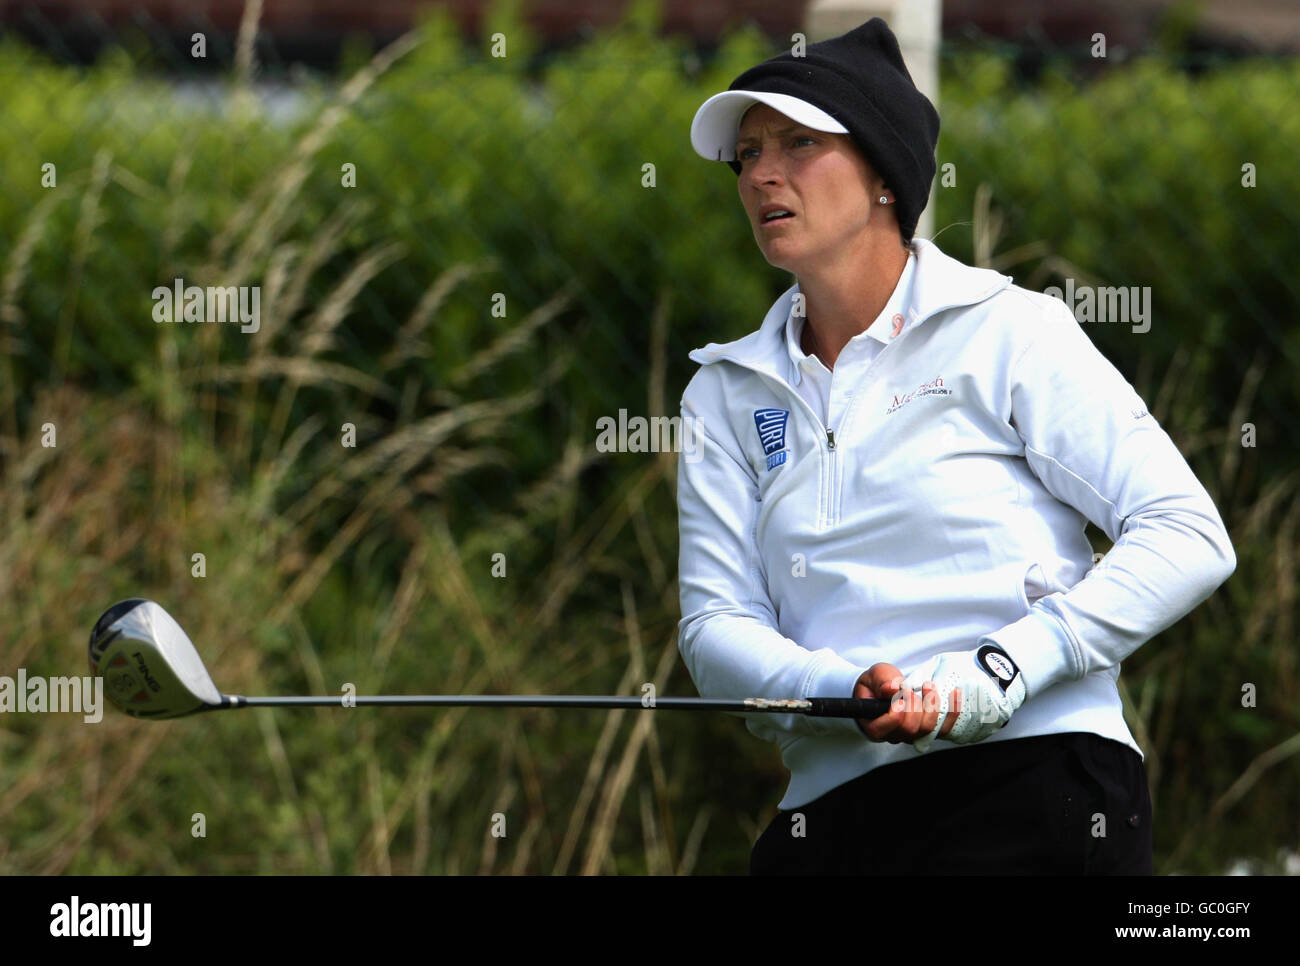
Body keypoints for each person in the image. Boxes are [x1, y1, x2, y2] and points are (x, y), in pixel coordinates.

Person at [676, 18, 1237, 875]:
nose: (761, 173)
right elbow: (716, 625)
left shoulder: (1012, 330)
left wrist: (1003, 669)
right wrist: (842, 692)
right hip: (831, 801)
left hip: (1037, 776)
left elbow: (1187, 534)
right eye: (746, 154)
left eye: (797, 142)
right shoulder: (721, 392)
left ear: (882, 178)